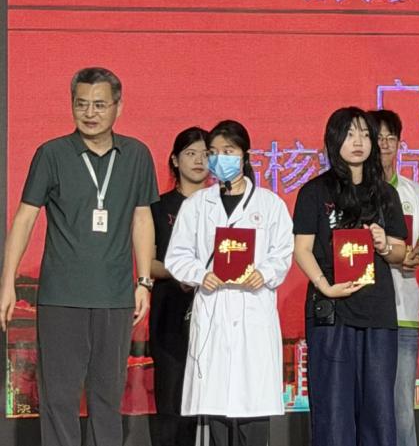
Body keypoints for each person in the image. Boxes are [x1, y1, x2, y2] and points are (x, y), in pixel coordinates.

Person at [0, 67, 159, 446]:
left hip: (115, 296)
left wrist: (144, 281)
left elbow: (142, 218)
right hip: (61, 297)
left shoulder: (136, 155)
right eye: (81, 104)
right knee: (59, 399)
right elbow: (25, 218)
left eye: (99, 105)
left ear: (118, 107)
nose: (90, 113)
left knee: (107, 399)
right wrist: (7, 283)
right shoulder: (52, 154)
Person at [164, 120, 294, 444]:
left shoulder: (270, 204)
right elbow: (177, 256)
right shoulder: (196, 205)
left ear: (245, 155)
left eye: (229, 151)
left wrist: (264, 273)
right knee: (217, 407)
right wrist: (200, 274)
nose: (221, 158)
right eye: (214, 152)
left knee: (253, 407)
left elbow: (283, 252)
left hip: (253, 310)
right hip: (213, 309)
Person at [294, 108, 409, 446]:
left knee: (379, 410)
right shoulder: (315, 191)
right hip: (332, 313)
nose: (358, 141)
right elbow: (302, 249)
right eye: (349, 134)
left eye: (364, 134)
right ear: (334, 140)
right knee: (333, 410)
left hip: (377, 312)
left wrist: (384, 244)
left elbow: (400, 251)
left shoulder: (385, 193)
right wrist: (325, 286)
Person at [370, 109, 419, 446]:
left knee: (401, 410)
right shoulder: (355, 194)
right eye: (378, 138)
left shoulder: (415, 193)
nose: (384, 144)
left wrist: (416, 254)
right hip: (364, 313)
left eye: (391, 138)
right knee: (367, 406)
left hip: (403, 312)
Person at [148, 126, 209, 446]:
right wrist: (183, 272)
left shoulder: (222, 206)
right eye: (190, 153)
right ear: (174, 160)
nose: (199, 161)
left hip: (214, 310)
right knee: (172, 399)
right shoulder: (158, 207)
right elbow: (147, 262)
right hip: (170, 309)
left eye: (206, 154)